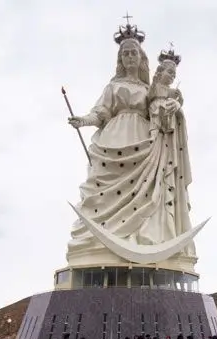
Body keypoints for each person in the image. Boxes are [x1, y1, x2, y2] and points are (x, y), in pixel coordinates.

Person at [65, 24, 198, 268]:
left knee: (145, 191)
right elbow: (100, 113)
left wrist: (175, 108)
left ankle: (142, 238)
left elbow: (160, 115)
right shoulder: (112, 87)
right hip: (112, 139)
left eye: (133, 53)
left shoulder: (149, 90)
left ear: (141, 57)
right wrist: (83, 121)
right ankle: (98, 245)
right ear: (120, 59)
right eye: (124, 53)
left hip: (143, 142)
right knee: (102, 191)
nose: (129, 57)